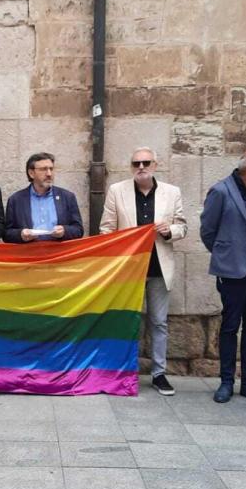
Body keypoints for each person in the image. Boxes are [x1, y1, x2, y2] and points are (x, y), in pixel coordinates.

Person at [100, 147, 187, 395]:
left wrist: (169, 230)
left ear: (155, 165)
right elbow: (106, 229)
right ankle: (125, 371)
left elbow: (183, 227)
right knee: (126, 322)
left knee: (159, 322)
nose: (141, 167)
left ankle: (159, 374)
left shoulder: (172, 193)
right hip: (129, 270)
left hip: (159, 268)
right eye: (136, 163)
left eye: (145, 162)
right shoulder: (117, 191)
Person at [200, 148, 246, 406]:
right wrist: (227, 256)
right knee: (230, 326)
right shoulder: (221, 191)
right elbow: (208, 232)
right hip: (234, 272)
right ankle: (226, 381)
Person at [4, 152, 84, 243]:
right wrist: (21, 234)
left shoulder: (67, 197)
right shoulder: (16, 200)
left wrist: (64, 231)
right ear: (31, 173)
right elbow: (7, 234)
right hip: (29, 253)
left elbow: (79, 230)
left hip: (59, 254)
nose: (49, 174)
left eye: (51, 169)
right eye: (43, 169)